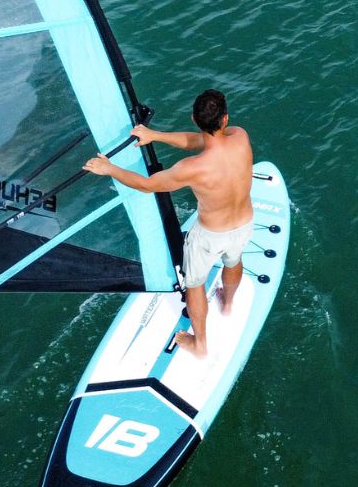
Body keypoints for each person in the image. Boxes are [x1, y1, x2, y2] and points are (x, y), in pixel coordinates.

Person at [83, 89, 254, 358]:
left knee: (195, 285)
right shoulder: (240, 137)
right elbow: (201, 140)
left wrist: (110, 169)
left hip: (210, 235)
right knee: (234, 261)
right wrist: (155, 135)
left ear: (194, 119)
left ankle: (200, 345)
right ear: (225, 119)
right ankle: (228, 303)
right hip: (244, 224)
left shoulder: (191, 168)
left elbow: (147, 185)